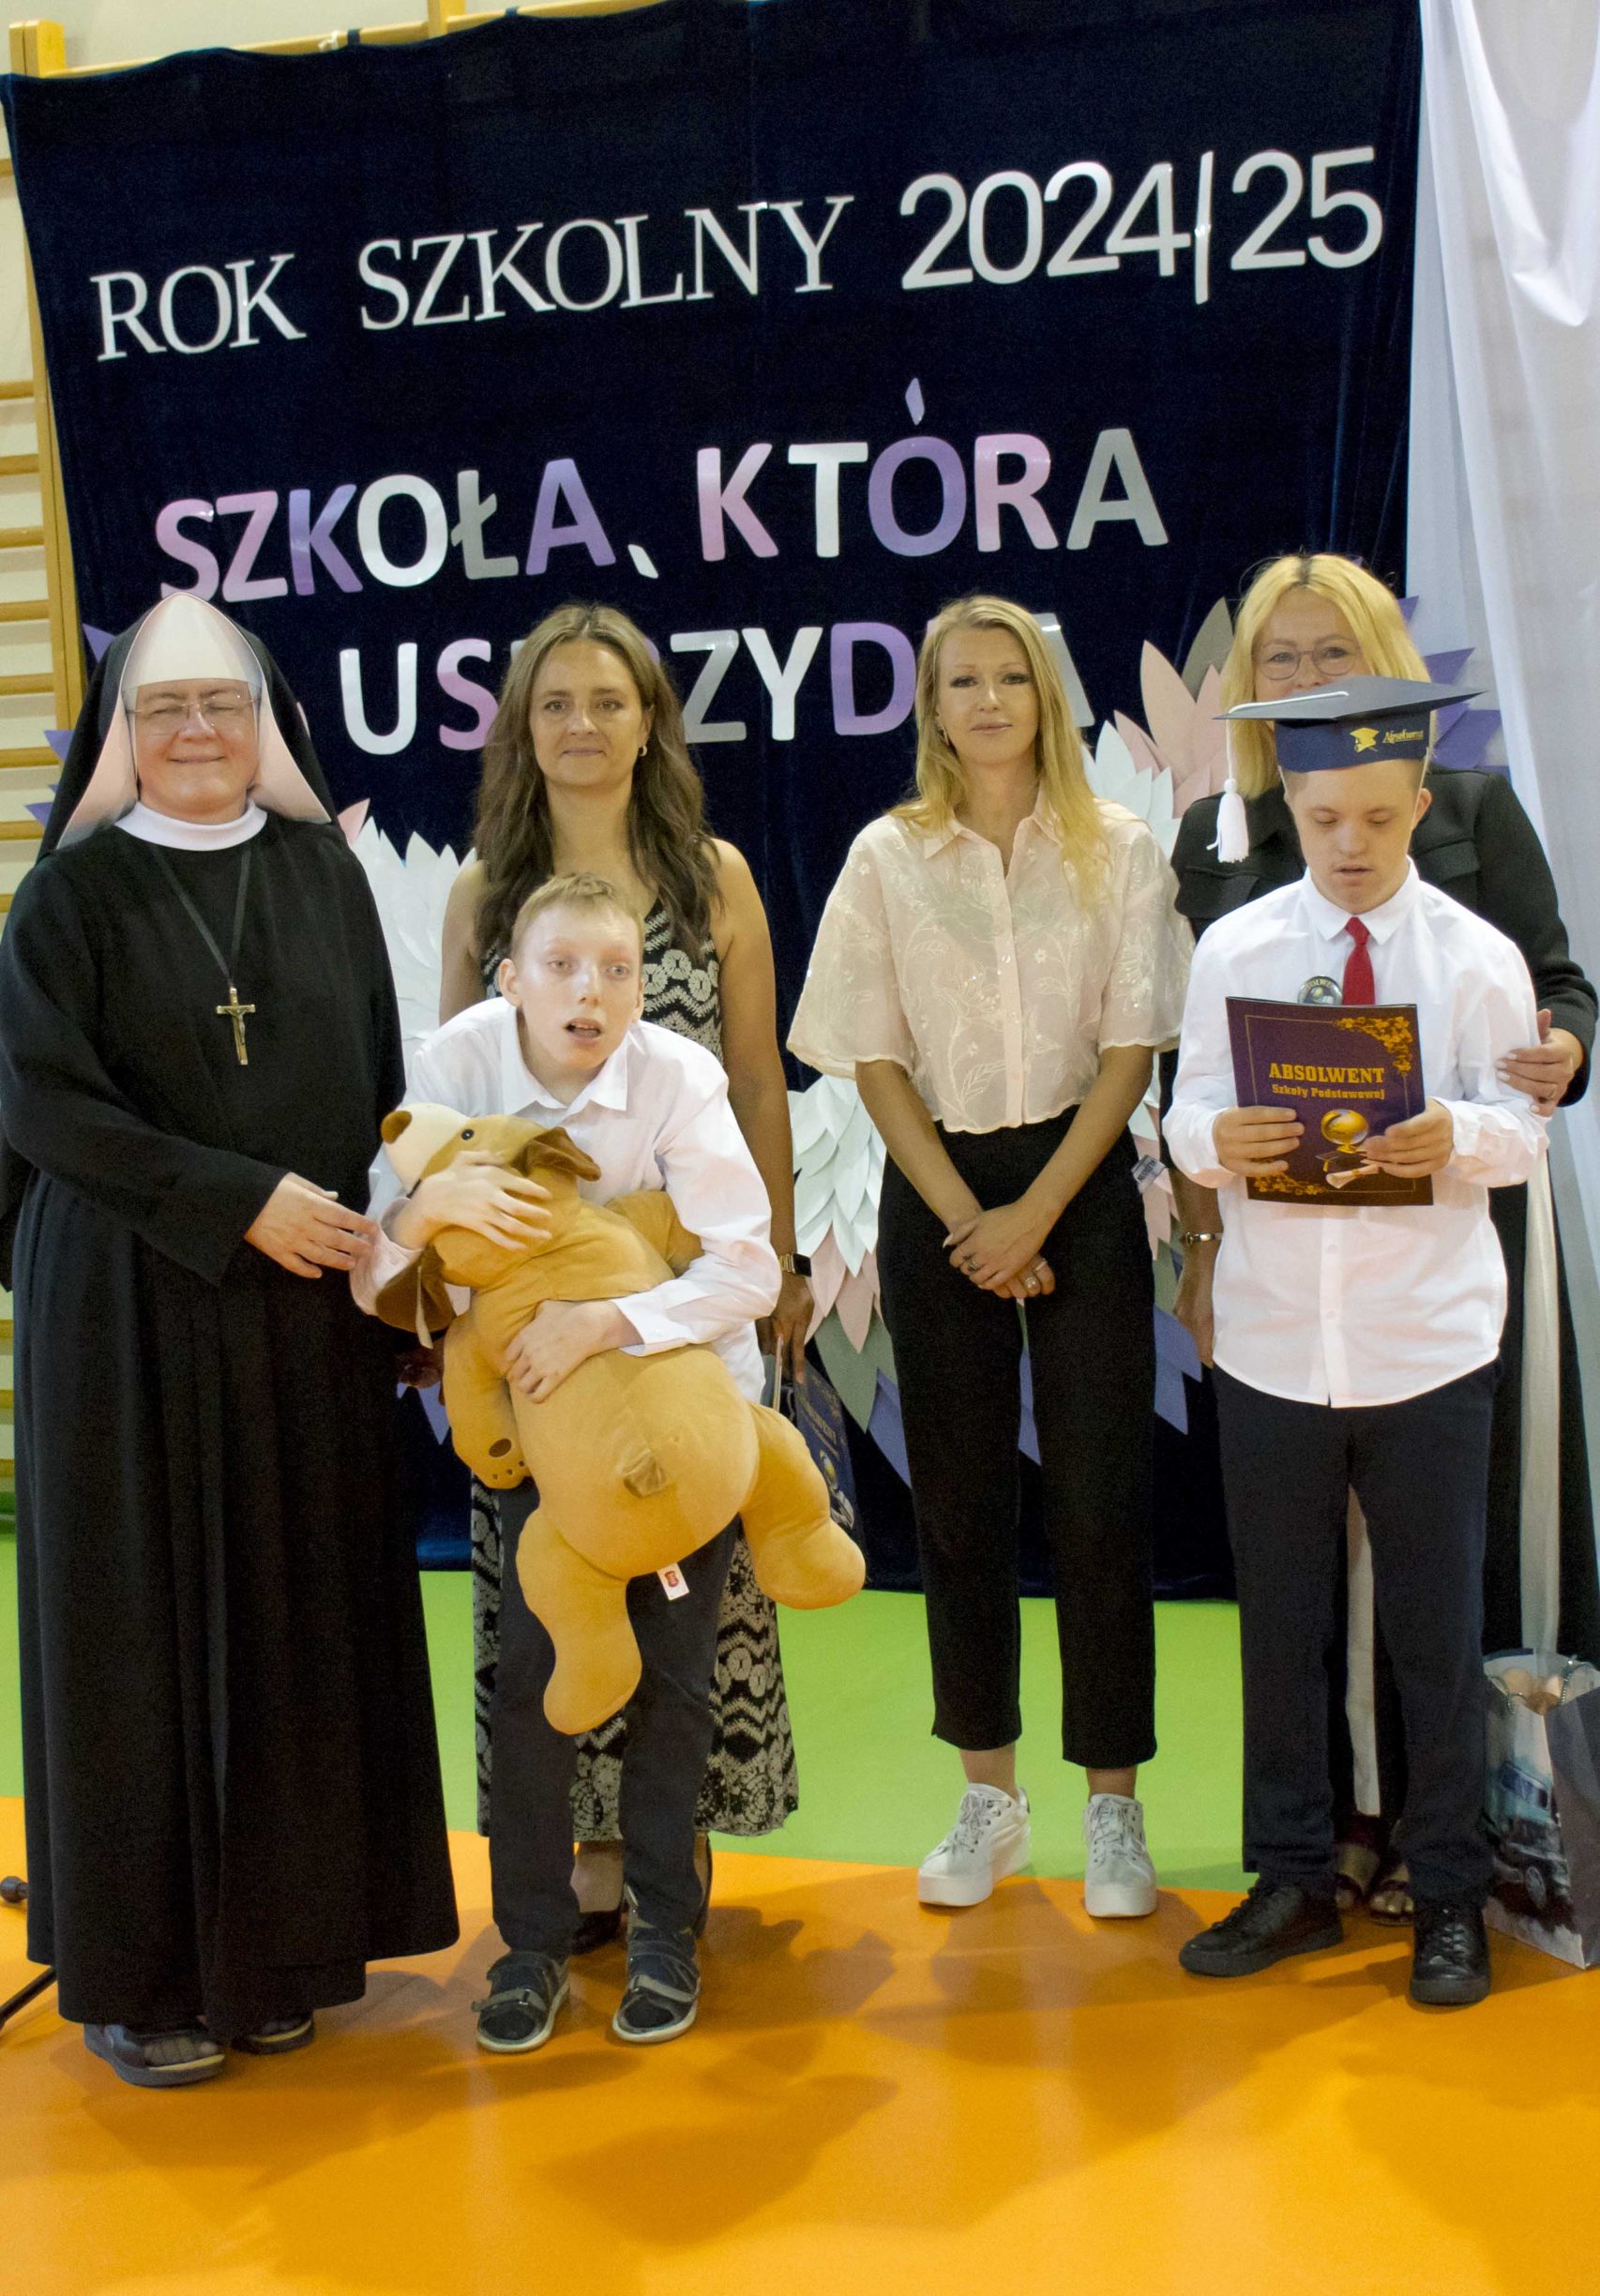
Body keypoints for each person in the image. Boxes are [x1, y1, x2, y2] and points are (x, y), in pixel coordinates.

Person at [0, 595, 457, 2091]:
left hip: (304, 1307)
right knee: (143, 1637)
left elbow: (378, 1086)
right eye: (165, 711)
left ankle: (287, 1952)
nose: (196, 732)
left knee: (296, 1624)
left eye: (223, 707)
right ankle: (149, 1982)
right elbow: (43, 1107)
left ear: (265, 729)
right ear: (121, 739)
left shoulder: (322, 876)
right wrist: (237, 1200)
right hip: (128, 1313)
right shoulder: (66, 902)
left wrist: (400, 1281)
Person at [1169, 551, 1598, 1919]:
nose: (1346, 842)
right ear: (1288, 804)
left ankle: (1451, 1895)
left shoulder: (1475, 954)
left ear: (1415, 802)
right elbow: (1183, 1110)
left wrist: (1454, 1133)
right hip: (1276, 1340)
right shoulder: (1234, 946)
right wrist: (1211, 1146)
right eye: (1320, 817)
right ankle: (1290, 1876)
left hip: (1426, 1340)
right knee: (1279, 1628)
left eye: (1371, 816)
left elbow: (1520, 1120)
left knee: (1432, 1626)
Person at [789, 595, 1192, 1917]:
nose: (987, 701)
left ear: (1045, 694)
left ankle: (1113, 1806)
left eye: (1009, 677)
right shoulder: (886, 855)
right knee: (958, 1506)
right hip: (938, 1190)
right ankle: (988, 1798)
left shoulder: (1117, 847)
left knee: (1099, 1502)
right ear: (931, 706)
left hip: (1078, 1180)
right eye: (959, 681)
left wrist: (1034, 1213)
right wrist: (970, 1213)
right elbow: (871, 1056)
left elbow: (1131, 1050)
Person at [357, 871, 780, 2047]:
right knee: (532, 1686)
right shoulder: (456, 1064)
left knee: (675, 1687)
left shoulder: (678, 1076)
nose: (589, 993)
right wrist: (423, 1212)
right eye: (560, 967)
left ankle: (663, 1931)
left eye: (616, 970)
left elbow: (748, 1267)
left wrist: (604, 1320)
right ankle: (530, 1943)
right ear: (509, 978)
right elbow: (377, 1262)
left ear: (643, 986)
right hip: (538, 1443)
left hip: (682, 1430)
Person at [437, 605, 807, 1942]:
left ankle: (666, 1843)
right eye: (555, 703)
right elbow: (453, 1123)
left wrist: (780, 1256)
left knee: (685, 1569)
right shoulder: (483, 890)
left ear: (650, 722)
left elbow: (756, 1080)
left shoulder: (713, 879)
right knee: (550, 1585)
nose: (581, 725)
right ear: (521, 729)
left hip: (676, 1311)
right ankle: (569, 1855)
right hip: (531, 1330)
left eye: (607, 700)